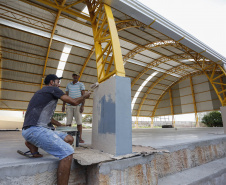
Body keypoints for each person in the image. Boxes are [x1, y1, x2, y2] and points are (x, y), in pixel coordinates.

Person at [21, 74, 91, 185]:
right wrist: (84, 96)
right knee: (67, 152)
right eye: (58, 82)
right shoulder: (52, 89)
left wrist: (60, 124)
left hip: (30, 129)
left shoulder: (41, 93)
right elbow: (74, 102)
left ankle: (32, 145)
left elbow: (47, 117)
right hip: (36, 130)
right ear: (52, 82)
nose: (59, 84)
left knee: (69, 139)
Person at [62, 71, 86, 143]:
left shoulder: (81, 84)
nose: (75, 77)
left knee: (79, 123)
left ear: (79, 77)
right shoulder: (68, 85)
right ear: (72, 76)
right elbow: (65, 96)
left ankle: (79, 138)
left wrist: (82, 105)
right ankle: (68, 137)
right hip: (69, 106)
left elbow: (83, 96)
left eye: (77, 76)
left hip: (78, 106)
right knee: (68, 123)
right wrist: (63, 105)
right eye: (74, 75)